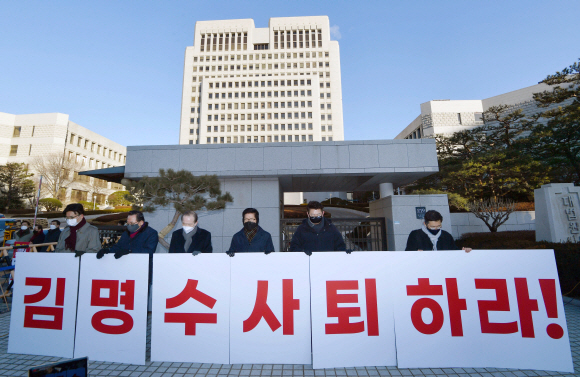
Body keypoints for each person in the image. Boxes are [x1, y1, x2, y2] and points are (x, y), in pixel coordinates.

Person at [96, 211, 159, 286]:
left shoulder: (151, 233)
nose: (129, 225)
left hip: (142, 271)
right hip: (125, 270)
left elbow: (149, 251)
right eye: (127, 223)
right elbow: (118, 247)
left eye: (132, 223)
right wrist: (108, 251)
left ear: (141, 222)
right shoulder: (126, 233)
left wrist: (130, 252)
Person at [405, 210, 472, 252]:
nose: (436, 229)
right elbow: (408, 252)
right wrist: (415, 253)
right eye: (433, 227)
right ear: (425, 224)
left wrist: (464, 251)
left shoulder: (446, 236)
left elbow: (454, 251)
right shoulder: (415, 235)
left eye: (438, 226)